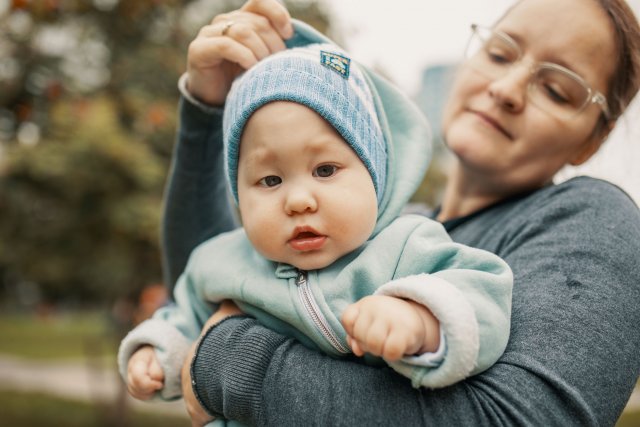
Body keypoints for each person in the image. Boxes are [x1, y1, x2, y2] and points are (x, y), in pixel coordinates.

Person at [166, 0, 640, 425]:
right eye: (499, 52)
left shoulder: (593, 220)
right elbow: (215, 269)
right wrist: (208, 108)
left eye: (557, 89)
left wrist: (225, 359)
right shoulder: (367, 230)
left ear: (593, 139)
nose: (507, 88)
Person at [119, 33, 515, 412]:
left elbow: (483, 298)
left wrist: (421, 319)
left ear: (375, 174)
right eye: (270, 180)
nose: (298, 200)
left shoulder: (407, 246)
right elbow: (182, 317)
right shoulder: (219, 260)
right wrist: (157, 354)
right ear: (239, 191)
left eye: (325, 170)